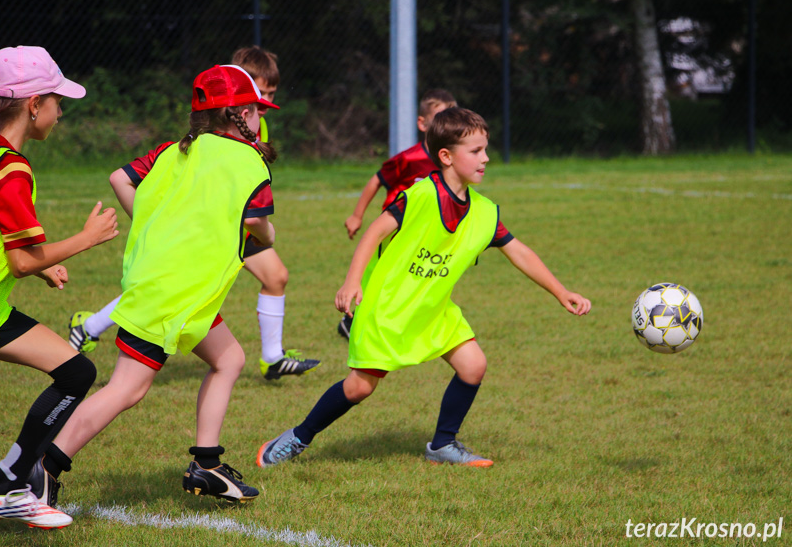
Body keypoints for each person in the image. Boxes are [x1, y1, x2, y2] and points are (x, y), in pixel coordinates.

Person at [257, 107, 591, 470]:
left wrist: (561, 291)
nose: (486, 158)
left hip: (434, 309)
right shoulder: (419, 196)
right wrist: (353, 281)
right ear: (446, 156)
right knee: (359, 388)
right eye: (476, 151)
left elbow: (518, 251)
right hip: (389, 310)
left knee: (473, 366)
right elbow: (375, 231)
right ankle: (297, 437)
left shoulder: (484, 212)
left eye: (486, 149)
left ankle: (443, 445)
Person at [28, 64, 278, 513]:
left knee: (230, 358)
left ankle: (207, 464)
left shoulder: (172, 151)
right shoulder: (247, 161)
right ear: (241, 114)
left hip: (174, 286)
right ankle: (44, 467)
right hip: (173, 293)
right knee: (127, 388)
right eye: (257, 110)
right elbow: (257, 224)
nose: (262, 118)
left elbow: (119, 178)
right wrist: (269, 237)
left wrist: (147, 223)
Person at [0, 46, 118, 529]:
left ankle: (6, 483)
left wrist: (42, 267)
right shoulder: (11, 169)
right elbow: (17, 260)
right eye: (57, 101)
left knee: (75, 373)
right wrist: (84, 240)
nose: (60, 112)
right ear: (34, 104)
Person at [67, 46, 320, 382]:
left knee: (274, 277)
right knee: (166, 289)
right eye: (261, 93)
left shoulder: (255, 125)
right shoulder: (209, 138)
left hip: (234, 226)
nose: (265, 103)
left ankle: (272, 358)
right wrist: (151, 222)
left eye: (270, 95)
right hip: (218, 228)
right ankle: (89, 326)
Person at [338, 89, 457, 339]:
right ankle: (352, 321)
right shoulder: (410, 159)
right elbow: (377, 180)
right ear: (422, 124)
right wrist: (357, 216)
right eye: (438, 118)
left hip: (420, 234)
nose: (444, 125)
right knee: (375, 277)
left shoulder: (451, 162)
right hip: (392, 230)